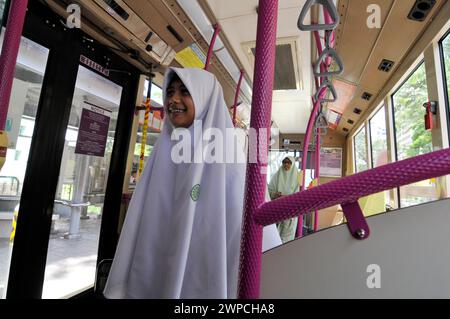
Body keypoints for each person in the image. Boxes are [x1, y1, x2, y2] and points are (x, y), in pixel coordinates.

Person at [103, 67, 280, 299]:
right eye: (170, 92)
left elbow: (247, 235)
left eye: (184, 92)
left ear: (205, 100)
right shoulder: (163, 151)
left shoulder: (231, 162)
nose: (173, 99)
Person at [268, 156, 299, 243]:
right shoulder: (277, 175)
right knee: (275, 232)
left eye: (288, 163)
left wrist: (288, 198)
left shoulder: (297, 176)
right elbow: (269, 191)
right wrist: (275, 194)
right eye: (284, 162)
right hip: (277, 209)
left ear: (292, 164)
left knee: (287, 234)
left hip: (290, 210)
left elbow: (299, 192)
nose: (286, 164)